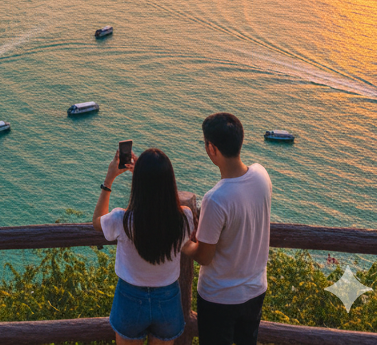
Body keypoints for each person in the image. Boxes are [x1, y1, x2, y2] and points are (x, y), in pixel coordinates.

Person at [93, 147, 196, 345]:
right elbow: (164, 204)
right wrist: (149, 175)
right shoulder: (184, 218)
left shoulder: (122, 219)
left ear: (137, 183)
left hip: (130, 297)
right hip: (168, 297)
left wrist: (109, 180)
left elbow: (98, 221)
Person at [185, 113, 271, 345]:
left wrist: (185, 244)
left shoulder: (216, 199)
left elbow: (204, 256)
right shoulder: (262, 175)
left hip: (220, 298)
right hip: (255, 290)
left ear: (212, 148)